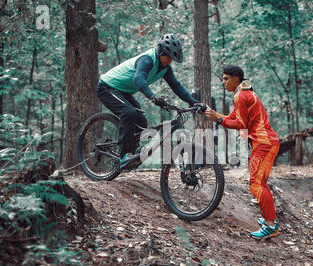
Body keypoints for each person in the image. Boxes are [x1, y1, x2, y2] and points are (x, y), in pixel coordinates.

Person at [97, 34, 199, 163]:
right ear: (161, 52)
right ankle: (123, 155)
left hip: (123, 92)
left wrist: (194, 103)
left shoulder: (165, 68)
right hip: (107, 87)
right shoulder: (147, 60)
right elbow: (138, 79)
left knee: (142, 123)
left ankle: (131, 157)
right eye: (168, 57)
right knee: (128, 113)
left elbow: (176, 86)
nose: (170, 61)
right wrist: (153, 97)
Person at [204, 65, 280, 240]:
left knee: (256, 183)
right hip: (264, 142)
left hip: (264, 143)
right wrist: (216, 115)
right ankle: (270, 220)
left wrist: (219, 120)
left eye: (226, 79)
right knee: (258, 182)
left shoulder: (240, 95)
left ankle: (270, 225)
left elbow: (240, 124)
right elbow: (234, 118)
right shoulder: (245, 93)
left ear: (236, 79)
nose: (223, 82)